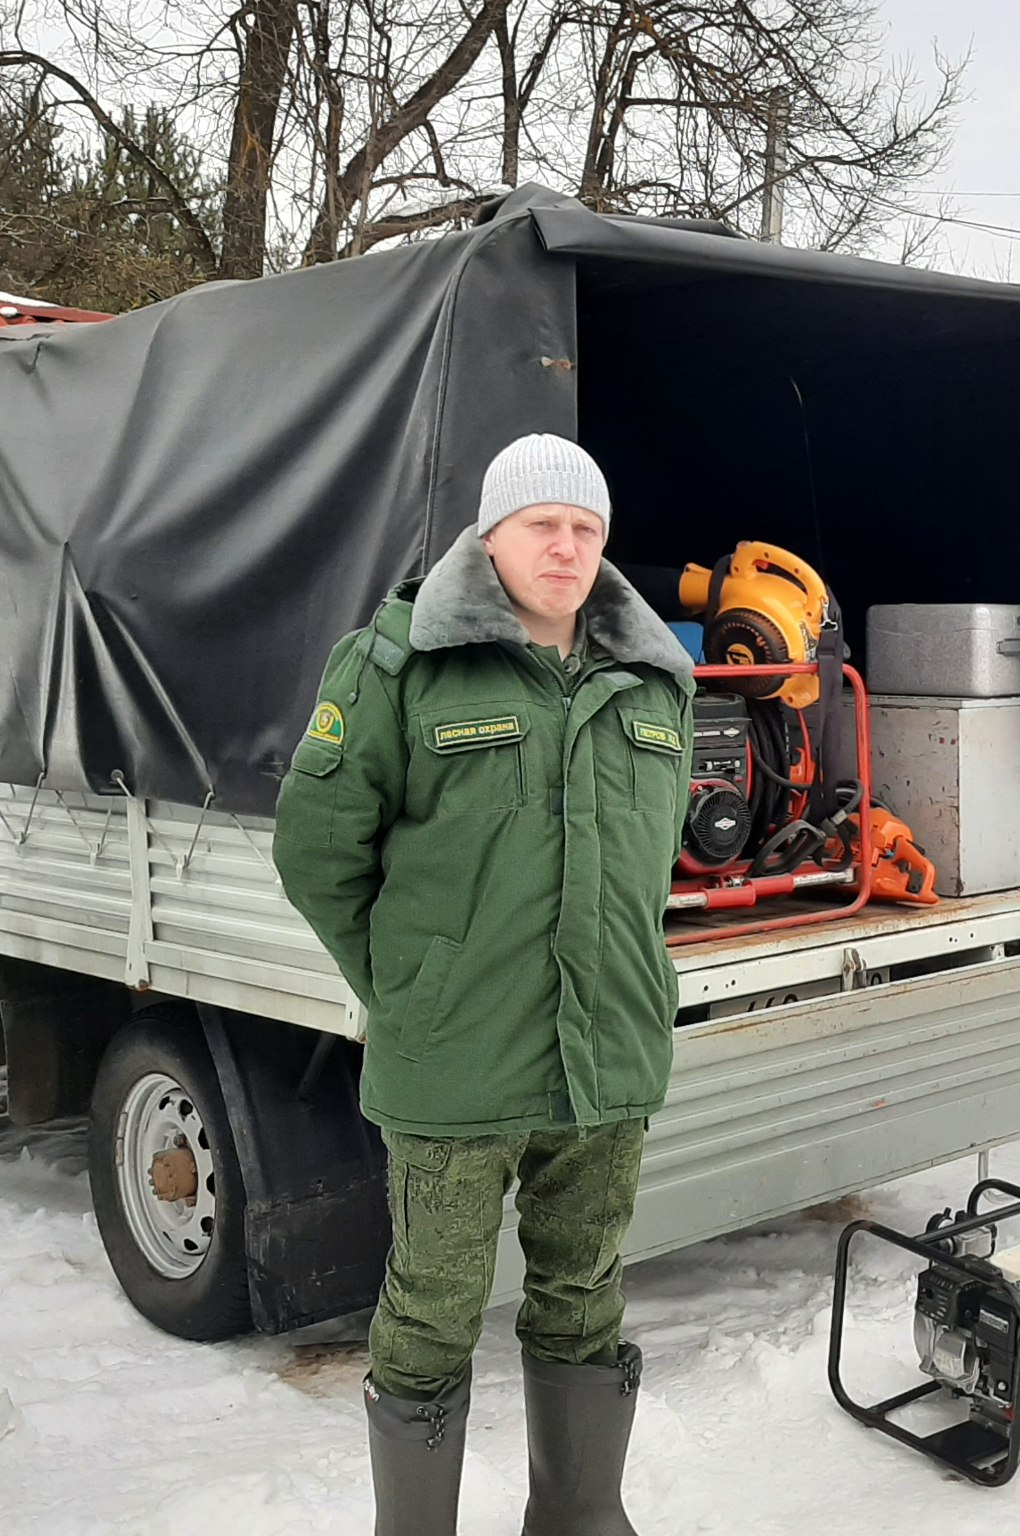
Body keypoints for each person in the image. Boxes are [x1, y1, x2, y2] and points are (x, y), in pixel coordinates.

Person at [274, 433, 694, 1536]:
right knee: (429, 1312)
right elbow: (316, 850)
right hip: (453, 1065)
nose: (565, 546)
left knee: (584, 1297)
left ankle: (577, 1517)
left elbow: (647, 871)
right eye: (541, 525)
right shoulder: (396, 663)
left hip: (603, 1063)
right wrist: (412, 986)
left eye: (586, 528)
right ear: (490, 536)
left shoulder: (655, 681)